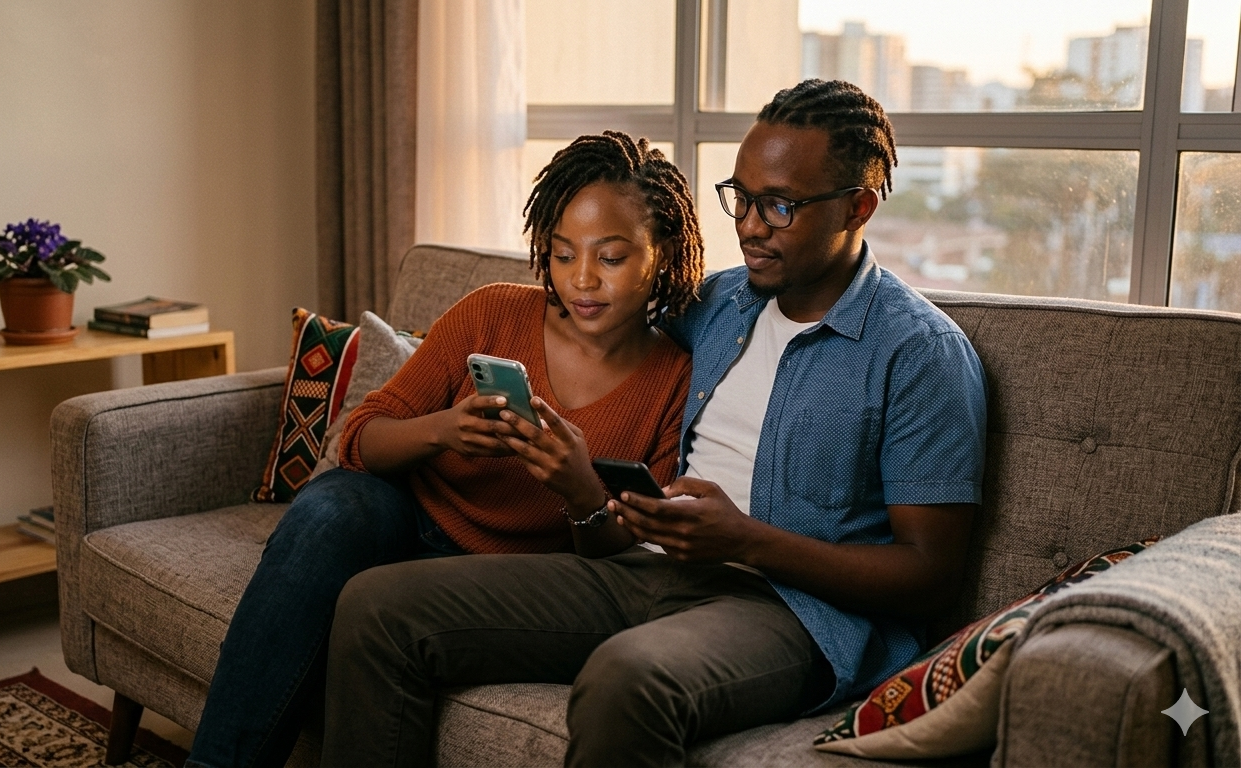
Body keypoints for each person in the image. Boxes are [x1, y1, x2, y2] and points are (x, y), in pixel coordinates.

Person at [320, 78, 988, 767]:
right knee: (378, 607)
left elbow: (929, 576)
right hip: (644, 570)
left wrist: (748, 541)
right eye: (742, 198)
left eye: (780, 206)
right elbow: (602, 296)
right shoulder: (720, 302)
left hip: (791, 611)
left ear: (858, 206)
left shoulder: (918, 354)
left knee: (629, 677)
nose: (751, 227)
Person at [185, 131, 704, 768]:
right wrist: (445, 430)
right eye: (563, 254)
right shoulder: (492, 312)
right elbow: (362, 436)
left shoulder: (677, 379)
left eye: (612, 258)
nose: (582, 280)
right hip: (409, 521)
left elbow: (617, 553)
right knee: (329, 512)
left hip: (513, 580)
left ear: (664, 253)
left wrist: (581, 493)